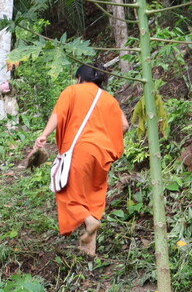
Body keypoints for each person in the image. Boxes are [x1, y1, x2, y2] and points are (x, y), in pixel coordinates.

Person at [32, 63, 129, 258]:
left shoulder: (73, 91)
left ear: (79, 78)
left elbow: (58, 115)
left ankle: (89, 221)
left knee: (66, 192)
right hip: (103, 154)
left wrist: (44, 135)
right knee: (92, 194)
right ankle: (89, 246)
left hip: (80, 151)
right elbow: (124, 125)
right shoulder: (108, 99)